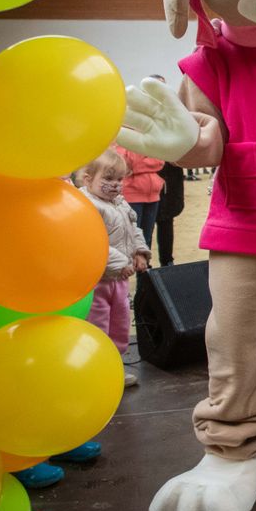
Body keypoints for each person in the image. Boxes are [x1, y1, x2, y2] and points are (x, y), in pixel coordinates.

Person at [80, 148, 151, 383]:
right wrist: (122, 262)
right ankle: (96, 368)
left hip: (119, 279)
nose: (115, 184)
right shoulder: (88, 205)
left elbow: (134, 229)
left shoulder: (120, 203)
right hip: (98, 280)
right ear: (88, 179)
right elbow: (92, 240)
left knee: (120, 322)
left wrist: (139, 253)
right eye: (108, 179)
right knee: (98, 323)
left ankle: (114, 365)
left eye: (119, 179)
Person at [117, 138, 164, 249]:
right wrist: (138, 146)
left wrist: (137, 167)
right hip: (131, 195)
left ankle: (145, 264)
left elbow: (160, 162)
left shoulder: (149, 139)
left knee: (147, 238)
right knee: (132, 238)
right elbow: (127, 164)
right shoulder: (121, 140)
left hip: (153, 195)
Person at [155, 160, 185, 267]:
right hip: (145, 183)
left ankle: (167, 261)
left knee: (166, 221)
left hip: (170, 181)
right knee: (144, 228)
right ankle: (144, 268)